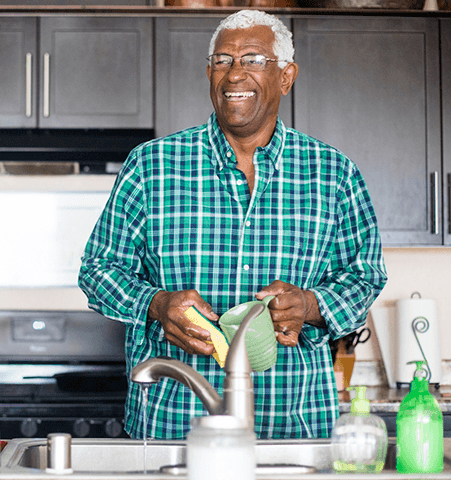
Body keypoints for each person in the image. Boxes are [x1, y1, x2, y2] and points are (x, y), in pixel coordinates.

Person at [78, 10, 387, 440]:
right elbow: (97, 270)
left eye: (254, 60)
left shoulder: (333, 173)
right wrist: (156, 304)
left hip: (293, 424)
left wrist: (311, 306)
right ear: (208, 73)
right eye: (222, 60)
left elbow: (365, 275)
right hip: (174, 422)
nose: (234, 74)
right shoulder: (151, 166)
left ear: (286, 75)